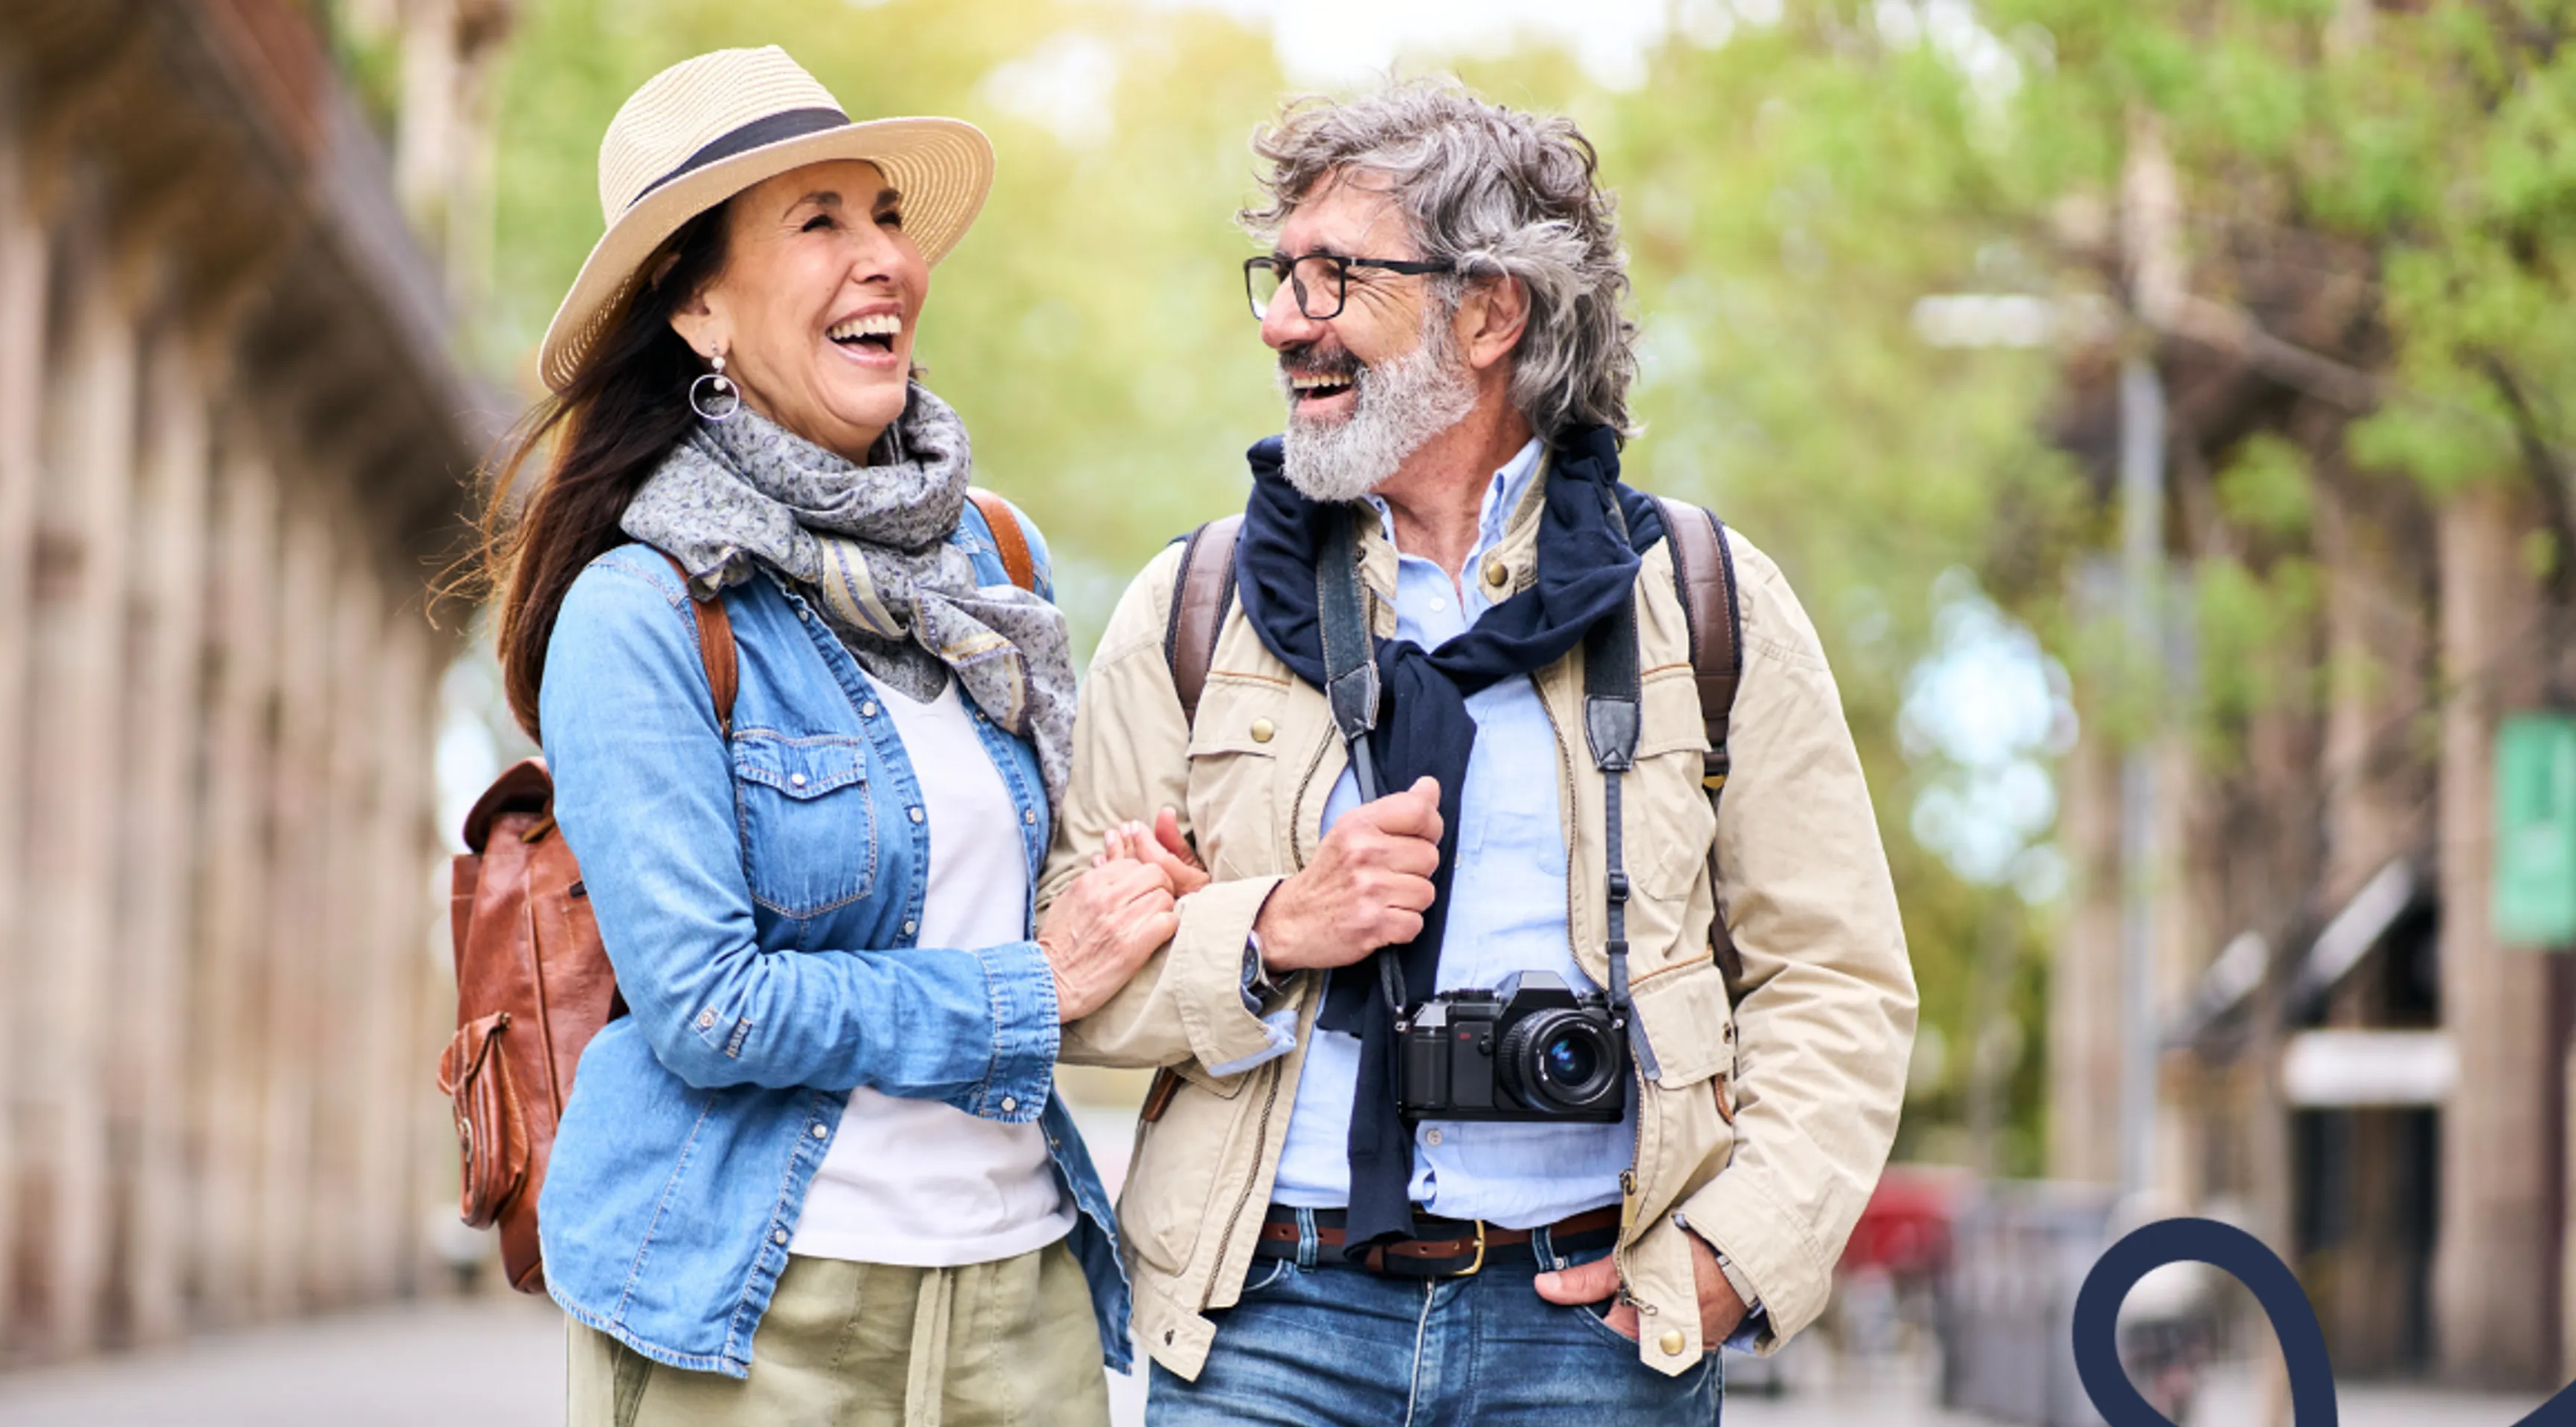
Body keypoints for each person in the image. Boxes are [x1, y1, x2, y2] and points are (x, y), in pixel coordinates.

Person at [1042, 80, 1918, 1423]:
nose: (1285, 320)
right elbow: (1066, 971)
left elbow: (1837, 979)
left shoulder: (1700, 596)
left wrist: (1740, 1255)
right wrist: (1274, 929)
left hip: (1597, 1332)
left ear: (1490, 311)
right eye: (1278, 277)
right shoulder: (1195, 607)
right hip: (1264, 1322)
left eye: (1336, 277)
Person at [478, 47, 1163, 1427]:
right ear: (698, 304)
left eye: (887, 216)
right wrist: (1032, 985)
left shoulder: (994, 562)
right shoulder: (643, 610)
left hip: (1019, 1302)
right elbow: (712, 1004)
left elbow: (1033, 887)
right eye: (818, 222)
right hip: (752, 1316)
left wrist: (1145, 890)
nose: (883, 261)